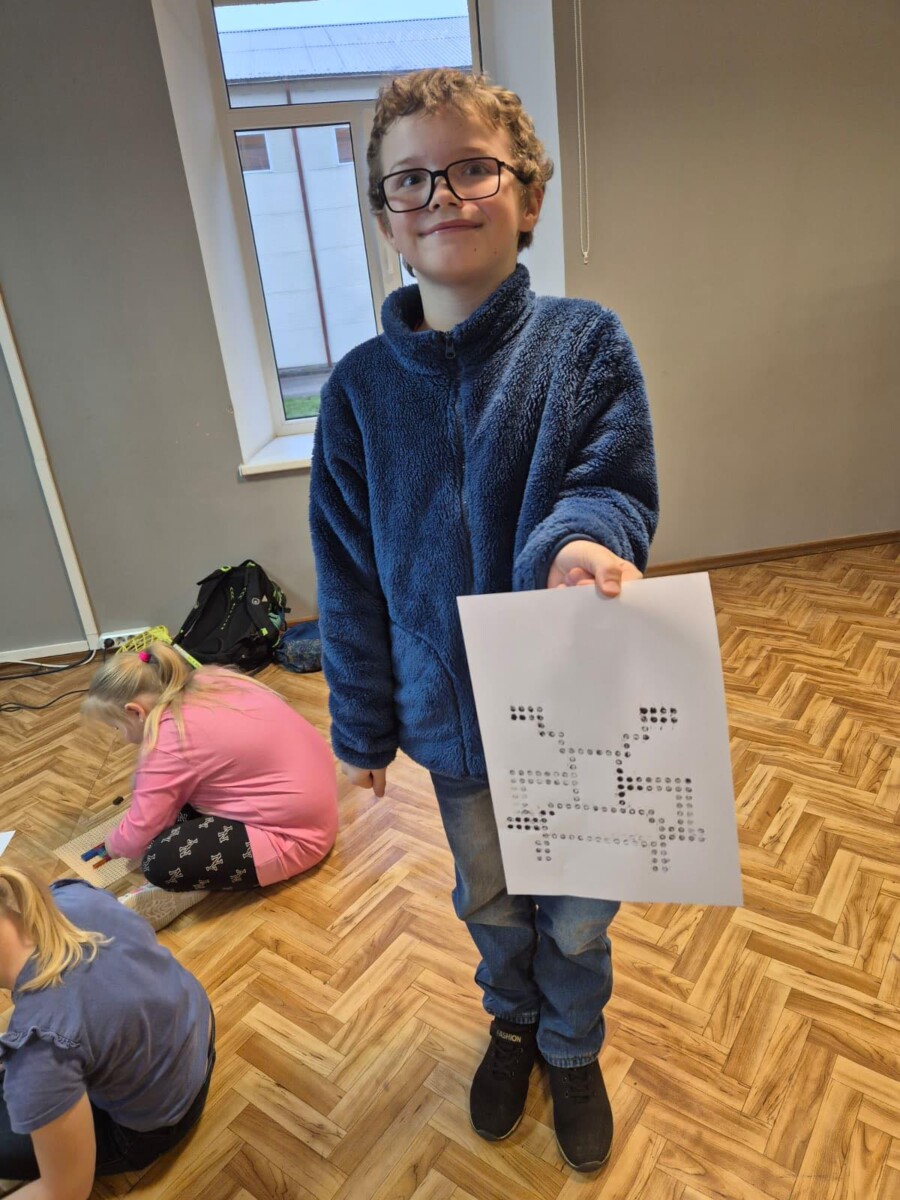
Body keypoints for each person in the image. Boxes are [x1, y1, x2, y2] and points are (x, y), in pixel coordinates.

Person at [309, 68, 659, 1173]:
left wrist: (584, 543)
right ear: (386, 220)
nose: (443, 197)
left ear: (528, 194)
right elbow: (347, 576)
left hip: (573, 715)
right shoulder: (357, 393)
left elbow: (609, 484)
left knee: (580, 913)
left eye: (472, 169)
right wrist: (362, 726)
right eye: (411, 180)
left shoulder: (584, 346)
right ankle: (513, 1023)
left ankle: (572, 1043)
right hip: (451, 725)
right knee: (493, 899)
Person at [81, 642, 338, 928]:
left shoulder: (168, 741)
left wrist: (112, 846)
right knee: (169, 808)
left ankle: (199, 883)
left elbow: (140, 828)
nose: (122, 736)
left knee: (158, 860)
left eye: (117, 727)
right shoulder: (209, 679)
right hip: (315, 803)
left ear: (136, 712)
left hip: (296, 838)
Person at [0, 867, 215, 1195]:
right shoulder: (70, 894)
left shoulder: (38, 1050)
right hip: (197, 1041)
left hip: (154, 1126)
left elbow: (67, 1191)